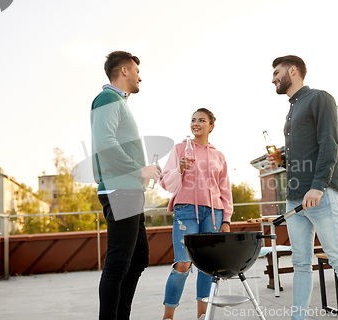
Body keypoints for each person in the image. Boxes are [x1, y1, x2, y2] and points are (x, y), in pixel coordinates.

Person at [268, 55, 338, 320]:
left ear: (293, 70)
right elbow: (304, 155)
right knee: (300, 263)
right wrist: (282, 160)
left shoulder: (320, 98)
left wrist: (318, 187)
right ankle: (299, 317)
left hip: (319, 194)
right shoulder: (292, 108)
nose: (273, 78)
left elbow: (329, 145)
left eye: (277, 72)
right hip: (295, 198)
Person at [91, 51, 161, 320]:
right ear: (124, 71)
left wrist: (142, 173)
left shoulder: (118, 102)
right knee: (118, 263)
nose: (139, 77)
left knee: (138, 258)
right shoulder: (108, 98)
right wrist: (138, 169)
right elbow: (105, 143)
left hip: (129, 190)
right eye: (136, 71)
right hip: (120, 190)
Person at [159, 108, 233, 320]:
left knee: (208, 267)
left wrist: (226, 219)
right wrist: (179, 169)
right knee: (182, 264)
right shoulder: (180, 148)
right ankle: (168, 317)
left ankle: (202, 315)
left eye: (202, 120)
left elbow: (225, 189)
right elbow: (165, 181)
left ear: (211, 126)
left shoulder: (218, 155)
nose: (196, 123)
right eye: (193, 120)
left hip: (214, 213)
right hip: (186, 210)